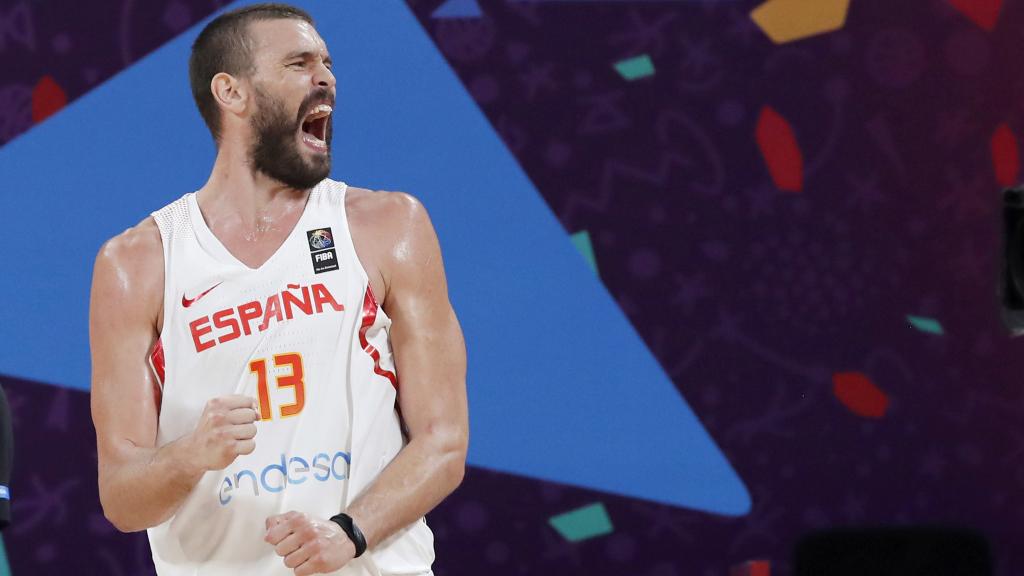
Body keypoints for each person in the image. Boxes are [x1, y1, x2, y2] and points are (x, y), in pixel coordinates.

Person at [88, 4, 469, 575]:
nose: (326, 78)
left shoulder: (389, 226)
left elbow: (443, 441)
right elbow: (122, 498)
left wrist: (348, 534)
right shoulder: (138, 263)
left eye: (327, 63)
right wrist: (190, 456)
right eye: (299, 62)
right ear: (231, 92)